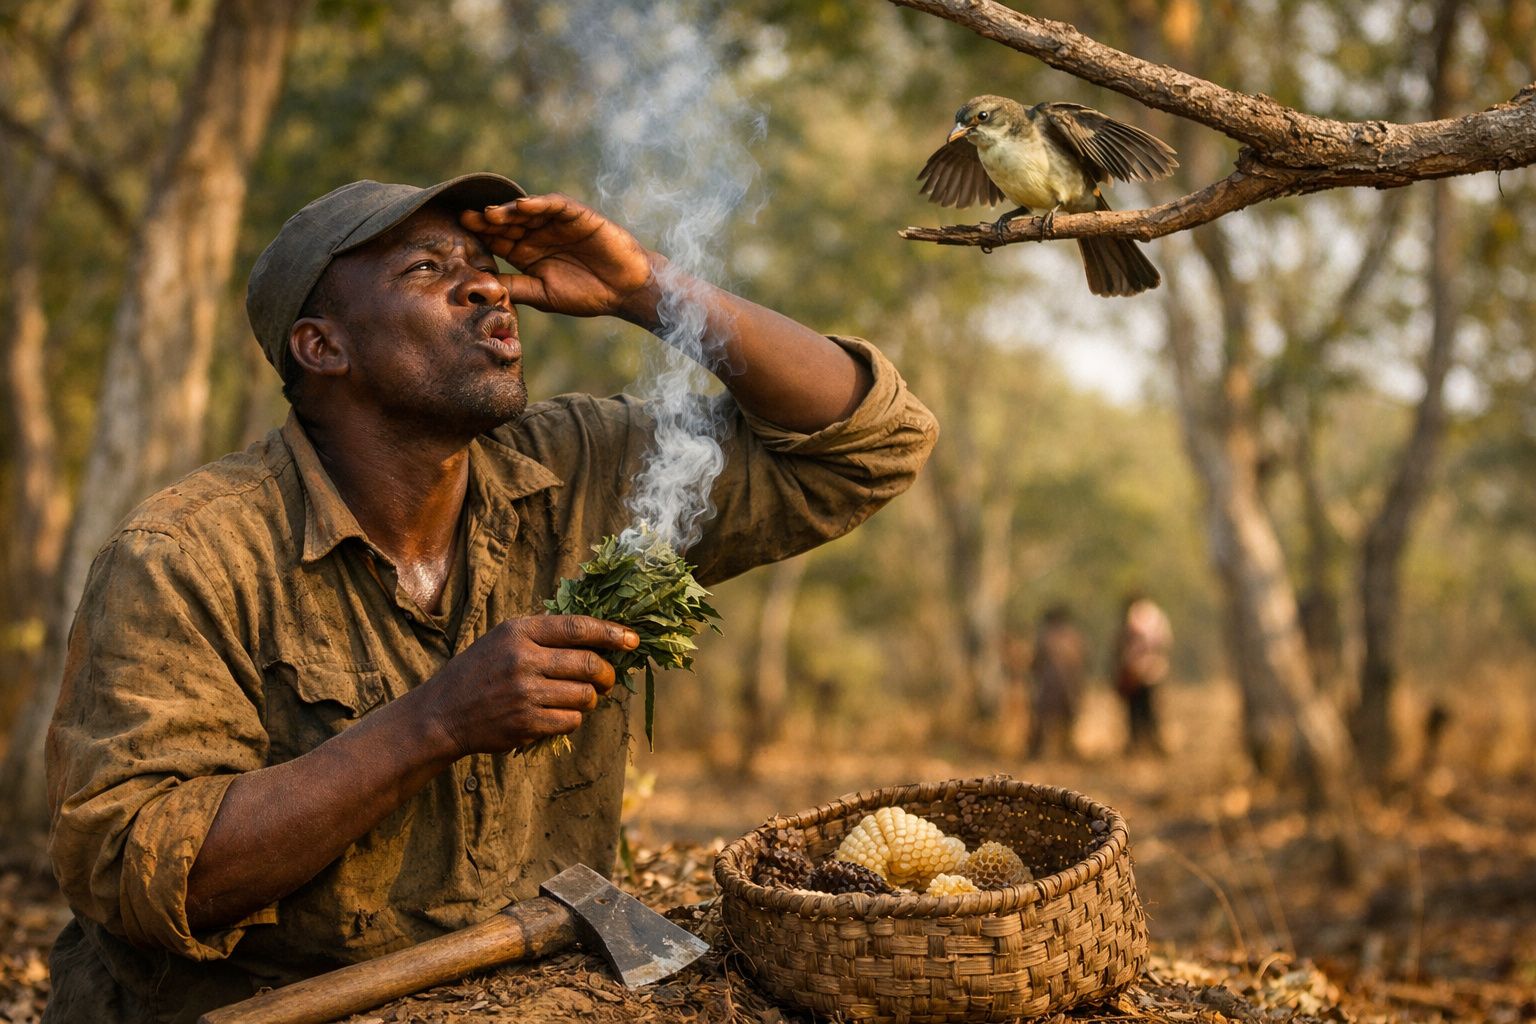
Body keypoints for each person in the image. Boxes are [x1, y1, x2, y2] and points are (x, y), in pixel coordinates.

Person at [43, 173, 937, 1023]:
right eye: (428, 271)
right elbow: (136, 863)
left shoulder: (584, 468)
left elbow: (869, 444)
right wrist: (433, 723)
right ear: (324, 346)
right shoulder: (188, 553)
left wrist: (643, 289)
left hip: (530, 982)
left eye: (484, 269)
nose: (488, 291)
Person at [1113, 593, 1173, 755]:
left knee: (1136, 710)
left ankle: (1139, 745)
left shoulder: (1132, 616)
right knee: (1150, 709)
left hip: (1135, 671)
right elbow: (1166, 641)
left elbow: (1122, 645)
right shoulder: (1158, 616)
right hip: (1153, 670)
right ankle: (1152, 744)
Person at [1027, 604, 1086, 759]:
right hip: (1070, 685)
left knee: (1043, 717)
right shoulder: (1074, 637)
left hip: (1051, 684)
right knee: (1066, 718)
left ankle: (1039, 750)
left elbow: (1036, 663)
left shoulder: (1045, 636)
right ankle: (1065, 749)